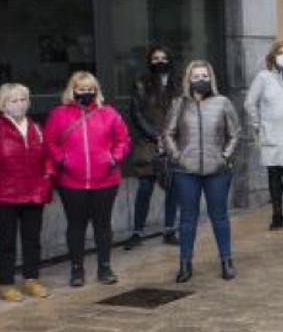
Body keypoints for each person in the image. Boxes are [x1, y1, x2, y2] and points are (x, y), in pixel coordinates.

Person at [45, 71, 131, 288]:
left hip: (105, 180)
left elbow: (123, 140)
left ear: (96, 90)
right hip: (71, 181)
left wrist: (114, 158)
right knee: (76, 225)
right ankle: (77, 269)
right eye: (81, 88)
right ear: (72, 90)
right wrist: (62, 160)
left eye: (90, 88)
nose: (86, 92)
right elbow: (50, 142)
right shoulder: (59, 114)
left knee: (103, 225)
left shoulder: (109, 113)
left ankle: (104, 266)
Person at [163, 61, 241, 283]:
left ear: (211, 77)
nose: (201, 79)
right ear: (189, 79)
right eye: (196, 75)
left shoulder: (222, 102)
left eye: (204, 75)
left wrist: (225, 157)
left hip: (217, 170)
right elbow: (168, 133)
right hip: (186, 171)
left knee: (220, 217)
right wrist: (177, 156)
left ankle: (226, 261)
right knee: (187, 219)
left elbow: (235, 133)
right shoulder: (179, 104)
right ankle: (185, 264)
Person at [245, 40, 283, 231]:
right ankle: (276, 215)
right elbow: (250, 103)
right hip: (271, 135)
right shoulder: (263, 78)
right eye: (280, 53)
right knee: (274, 176)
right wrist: (258, 124)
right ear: (273, 57)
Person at [0, 83, 53, 302]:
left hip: (34, 192)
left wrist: (48, 173)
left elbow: (47, 155)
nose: (19, 104)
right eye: (14, 100)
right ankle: (6, 283)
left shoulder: (36, 127)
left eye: (23, 99)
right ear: (3, 105)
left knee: (32, 239)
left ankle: (32, 279)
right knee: (6, 241)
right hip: (6, 194)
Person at [127, 45, 179, 249]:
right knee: (145, 188)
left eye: (163, 57)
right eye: (155, 58)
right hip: (147, 143)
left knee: (173, 188)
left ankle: (169, 231)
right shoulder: (141, 83)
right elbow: (136, 113)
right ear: (150, 61)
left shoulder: (178, 83)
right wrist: (155, 135)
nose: (159, 61)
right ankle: (137, 233)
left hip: (173, 142)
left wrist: (169, 137)